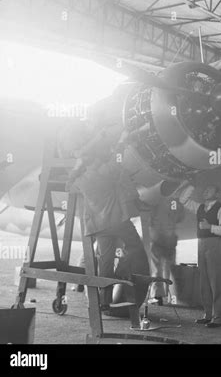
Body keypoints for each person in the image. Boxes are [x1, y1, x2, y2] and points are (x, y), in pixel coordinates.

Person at [66, 129, 149, 312]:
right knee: (135, 248)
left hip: (99, 227)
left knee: (105, 262)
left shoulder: (82, 181)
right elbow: (117, 159)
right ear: (95, 162)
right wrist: (121, 140)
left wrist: (76, 167)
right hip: (118, 221)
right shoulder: (106, 173)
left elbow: (68, 185)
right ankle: (121, 273)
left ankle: (104, 301)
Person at [178, 184, 221, 328]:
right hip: (202, 244)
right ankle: (208, 315)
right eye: (206, 189)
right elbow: (183, 200)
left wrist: (210, 227)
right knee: (205, 281)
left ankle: (219, 317)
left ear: (217, 192)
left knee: (217, 280)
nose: (206, 190)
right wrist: (191, 184)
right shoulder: (200, 207)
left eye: (210, 189)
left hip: (216, 244)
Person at [147, 196, 185, 305]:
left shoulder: (156, 203)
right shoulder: (175, 205)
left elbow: (149, 220)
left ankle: (157, 296)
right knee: (170, 269)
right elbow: (180, 218)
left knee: (157, 269)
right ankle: (172, 296)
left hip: (157, 240)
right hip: (170, 240)